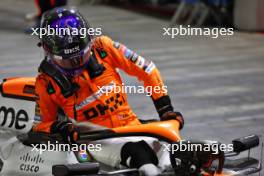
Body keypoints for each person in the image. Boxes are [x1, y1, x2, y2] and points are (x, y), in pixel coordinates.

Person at [33, 7, 184, 176]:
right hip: (94, 139)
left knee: (180, 154)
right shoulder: (45, 82)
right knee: (139, 153)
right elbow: (40, 126)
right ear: (48, 51)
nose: (76, 64)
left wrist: (165, 109)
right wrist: (63, 127)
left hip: (131, 126)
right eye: (69, 61)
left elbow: (148, 70)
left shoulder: (104, 47)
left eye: (81, 56)